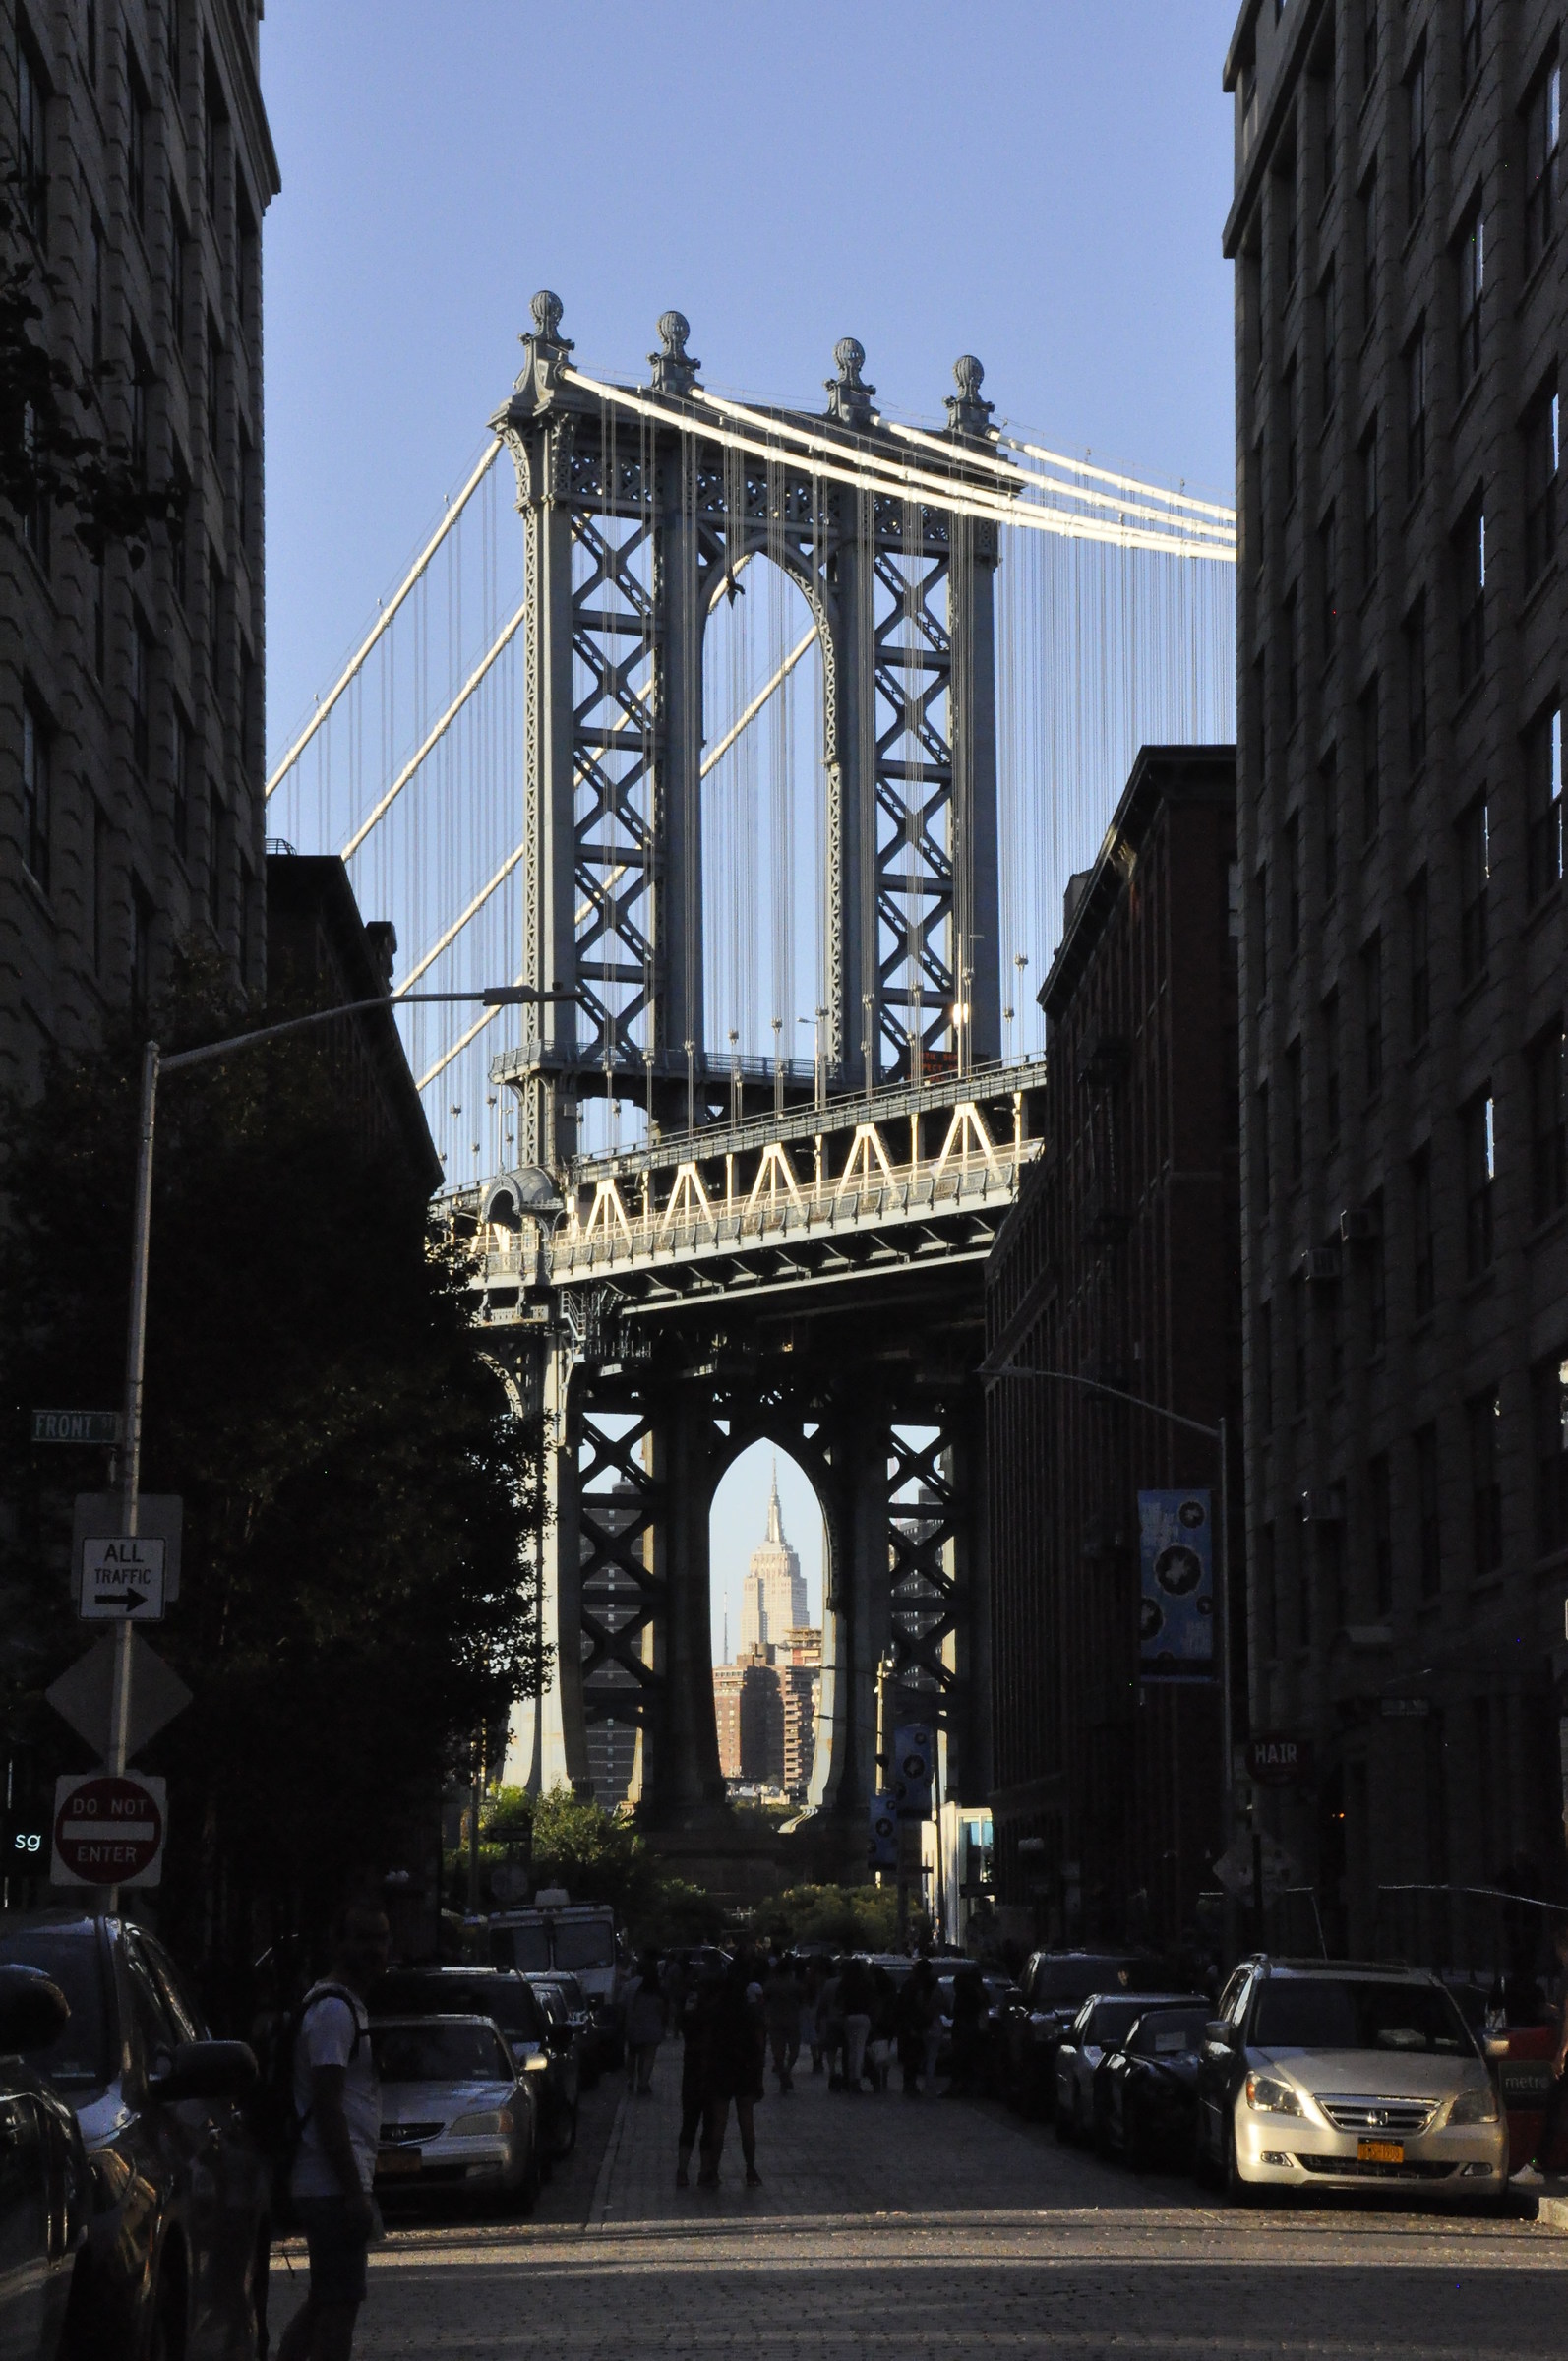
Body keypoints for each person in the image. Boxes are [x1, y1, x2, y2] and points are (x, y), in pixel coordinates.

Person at [277, 1899, 391, 2361]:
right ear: (338, 1943)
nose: (374, 1950)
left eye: (381, 1939)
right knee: (340, 2306)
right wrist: (353, 2190)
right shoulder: (333, 2012)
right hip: (329, 2183)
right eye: (362, 1938)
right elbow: (328, 2106)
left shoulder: (346, 2006)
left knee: (326, 2298)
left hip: (332, 2182)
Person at [700, 1951, 765, 2187]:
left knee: (719, 2122)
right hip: (745, 2068)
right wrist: (759, 2074)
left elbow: (708, 2041)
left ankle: (713, 2171)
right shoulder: (750, 2012)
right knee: (746, 2121)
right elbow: (759, 2044)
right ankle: (751, 2170)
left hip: (721, 2067)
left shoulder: (717, 2010)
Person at [895, 1957, 938, 2098]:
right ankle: (910, 2084)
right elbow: (906, 2007)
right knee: (913, 2056)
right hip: (914, 2024)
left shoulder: (916, 1984)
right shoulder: (916, 1985)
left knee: (913, 2056)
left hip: (916, 2024)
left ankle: (910, 2084)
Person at [624, 1952, 666, 2095]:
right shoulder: (656, 1987)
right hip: (653, 2027)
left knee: (632, 2054)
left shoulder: (629, 1986)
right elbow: (662, 2008)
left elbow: (622, 2005)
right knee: (648, 2056)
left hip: (633, 2026)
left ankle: (630, 2080)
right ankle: (643, 2083)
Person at [762, 1953, 803, 2093]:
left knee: (777, 2050)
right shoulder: (795, 1985)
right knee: (794, 2050)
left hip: (775, 2020)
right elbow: (802, 2000)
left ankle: (782, 2074)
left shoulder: (771, 1985)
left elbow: (764, 2000)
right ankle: (787, 2069)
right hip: (792, 2020)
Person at [838, 1955, 874, 2093]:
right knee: (859, 2048)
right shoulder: (866, 1983)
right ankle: (856, 2078)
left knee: (851, 2048)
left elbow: (839, 2001)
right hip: (863, 2016)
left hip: (849, 2017)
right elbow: (872, 2000)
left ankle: (851, 2076)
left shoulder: (845, 1983)